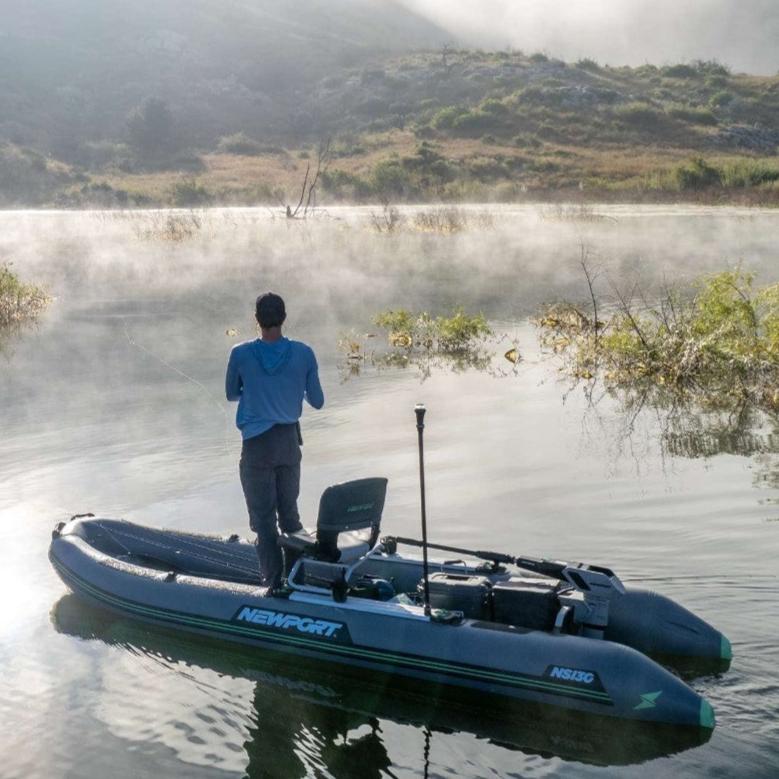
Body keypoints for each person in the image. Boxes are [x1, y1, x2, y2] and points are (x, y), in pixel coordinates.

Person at [225, 292, 324, 588]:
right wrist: (294, 390)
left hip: (257, 447)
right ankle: (299, 582)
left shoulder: (240, 353)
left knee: (264, 521)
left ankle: (273, 584)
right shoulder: (304, 353)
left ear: (256, 320)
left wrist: (257, 392)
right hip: (289, 443)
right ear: (284, 317)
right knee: (290, 516)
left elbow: (232, 394)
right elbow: (317, 401)